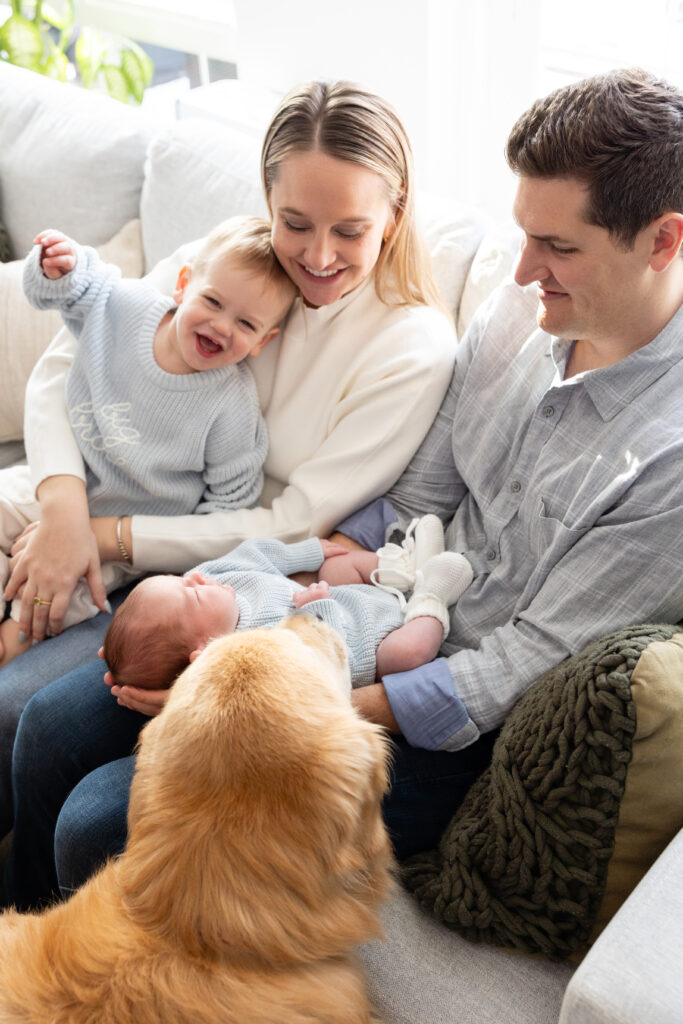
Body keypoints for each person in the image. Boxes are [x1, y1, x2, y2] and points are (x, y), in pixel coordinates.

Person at [7, 65, 681, 910]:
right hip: (346, 610)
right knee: (49, 729)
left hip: (436, 717)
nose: (519, 271)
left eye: (558, 248)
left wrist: (249, 690)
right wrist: (302, 582)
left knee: (101, 821)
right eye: (523, 235)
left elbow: (517, 667)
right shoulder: (521, 316)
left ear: (661, 241)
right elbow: (421, 490)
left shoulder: (668, 458)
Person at [0, 79, 458, 900]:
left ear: (394, 212)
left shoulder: (411, 345)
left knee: (35, 717)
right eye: (295, 223)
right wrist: (66, 507)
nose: (317, 256)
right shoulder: (233, 258)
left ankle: (36, 943)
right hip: (99, 497)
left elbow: (294, 521)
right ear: (268, 202)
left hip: (222, 578)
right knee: (28, 717)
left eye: (349, 230)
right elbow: (79, 359)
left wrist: (108, 539)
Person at [1, 216, 294, 666]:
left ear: (263, 341)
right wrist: (60, 265)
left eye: (246, 324)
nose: (221, 325)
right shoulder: (128, 306)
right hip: (59, 483)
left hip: (119, 539)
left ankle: (9, 640)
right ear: (182, 285)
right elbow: (69, 290)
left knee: (52, 606)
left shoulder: (232, 407)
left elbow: (231, 506)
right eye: (212, 301)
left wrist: (179, 569)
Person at [101, 532, 474, 692]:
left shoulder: (214, 577)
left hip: (351, 596)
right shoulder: (253, 655)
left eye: (180, 579)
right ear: (205, 649)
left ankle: (406, 567)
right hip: (369, 645)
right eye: (193, 596)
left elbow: (257, 554)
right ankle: (431, 597)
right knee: (405, 655)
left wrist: (309, 552)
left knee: (337, 566)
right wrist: (318, 608)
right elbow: (326, 667)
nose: (197, 578)